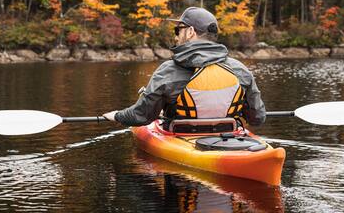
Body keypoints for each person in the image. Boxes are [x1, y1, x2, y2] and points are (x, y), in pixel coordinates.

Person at [103, 7, 266, 128]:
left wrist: (117, 116)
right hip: (229, 135)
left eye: (178, 30)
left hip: (181, 135)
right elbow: (257, 118)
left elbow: (141, 116)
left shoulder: (167, 71)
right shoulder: (240, 70)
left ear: (190, 32)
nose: (176, 35)